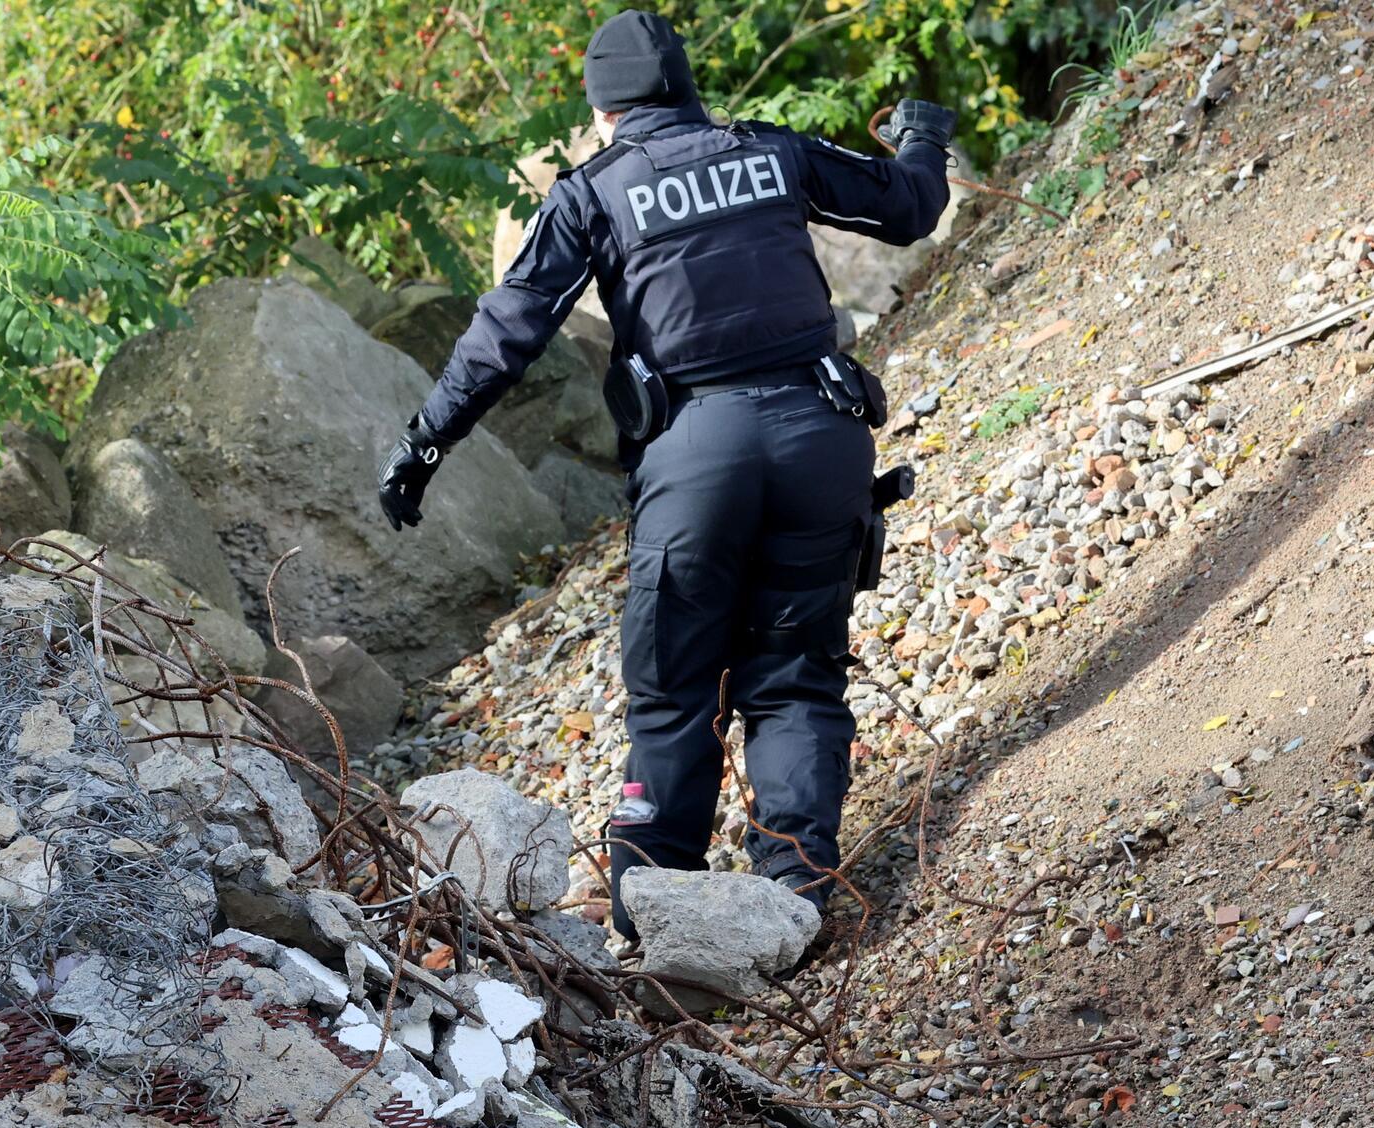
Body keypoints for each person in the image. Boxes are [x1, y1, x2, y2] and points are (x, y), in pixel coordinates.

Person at [376, 8, 953, 939]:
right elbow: (909, 206)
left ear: (603, 114)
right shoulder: (770, 151)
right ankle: (796, 892)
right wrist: (925, 139)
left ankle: (657, 912)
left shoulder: (593, 193)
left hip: (696, 456)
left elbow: (506, 334)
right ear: (687, 90)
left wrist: (423, 446)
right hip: (822, 432)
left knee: (676, 683)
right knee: (796, 674)